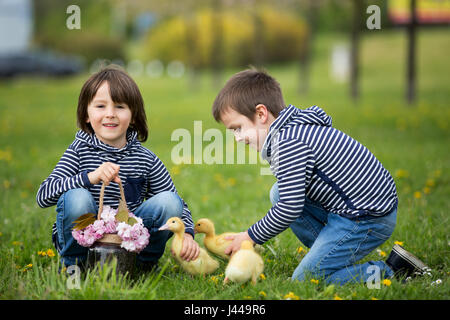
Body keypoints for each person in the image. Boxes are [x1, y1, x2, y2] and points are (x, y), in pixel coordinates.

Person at [213, 68, 429, 285]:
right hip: (352, 208)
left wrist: (249, 236)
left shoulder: (289, 143)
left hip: (367, 217)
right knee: (279, 192)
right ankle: (329, 256)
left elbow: (289, 208)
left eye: (238, 128)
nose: (238, 138)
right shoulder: (293, 129)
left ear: (261, 114)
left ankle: (395, 271)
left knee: (305, 279)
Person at [36, 65, 200, 271]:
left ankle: (141, 264)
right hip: (86, 241)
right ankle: (74, 266)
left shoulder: (145, 159)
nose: (110, 114)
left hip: (127, 241)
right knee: (77, 197)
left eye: (120, 106)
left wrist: (186, 233)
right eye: (100, 106)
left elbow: (178, 206)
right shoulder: (78, 151)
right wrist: (89, 178)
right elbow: (43, 195)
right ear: (86, 114)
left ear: (133, 115)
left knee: (169, 201)